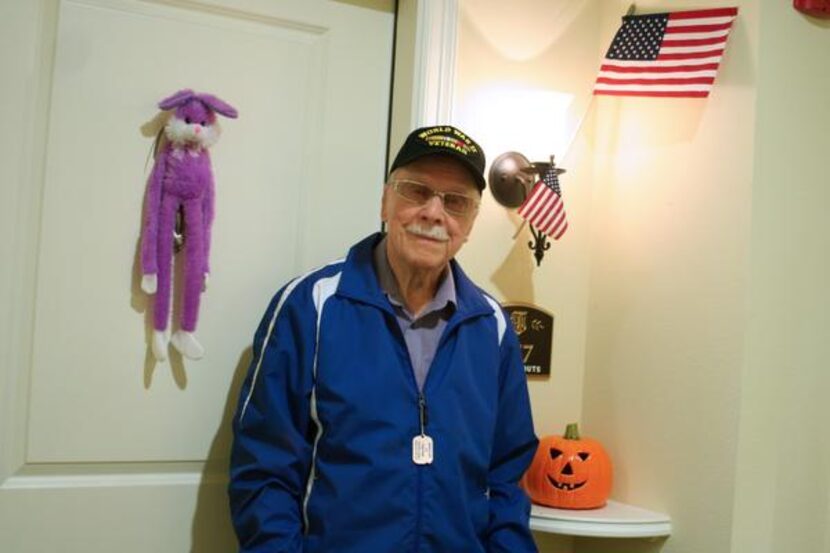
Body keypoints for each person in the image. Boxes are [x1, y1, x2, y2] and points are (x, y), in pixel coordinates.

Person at [228, 125, 538, 552]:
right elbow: (264, 469)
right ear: (385, 201)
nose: (433, 213)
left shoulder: (493, 328)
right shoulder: (311, 306)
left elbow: (506, 476)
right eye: (416, 190)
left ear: (469, 223)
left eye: (455, 202)